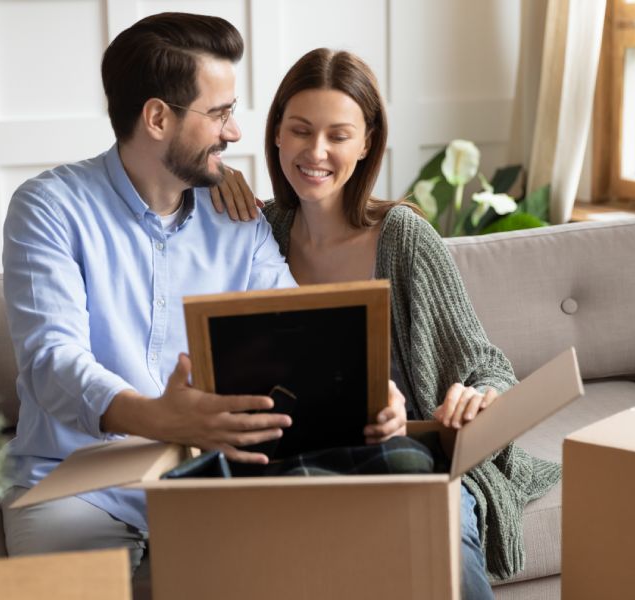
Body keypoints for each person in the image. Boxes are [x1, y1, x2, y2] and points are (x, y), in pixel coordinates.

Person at [0, 16, 408, 573]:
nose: (235, 132)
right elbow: (52, 362)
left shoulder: (237, 220)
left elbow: (301, 332)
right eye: (219, 114)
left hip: (206, 482)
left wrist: (372, 395)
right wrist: (157, 417)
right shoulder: (49, 208)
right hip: (74, 484)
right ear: (157, 118)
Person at [212, 48, 561, 598]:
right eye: (300, 130)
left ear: (368, 141)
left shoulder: (403, 238)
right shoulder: (257, 233)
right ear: (276, 131)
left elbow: (487, 365)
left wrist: (480, 396)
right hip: (300, 459)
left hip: (410, 451)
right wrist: (212, 174)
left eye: (339, 135)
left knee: (444, 539)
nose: (316, 152)